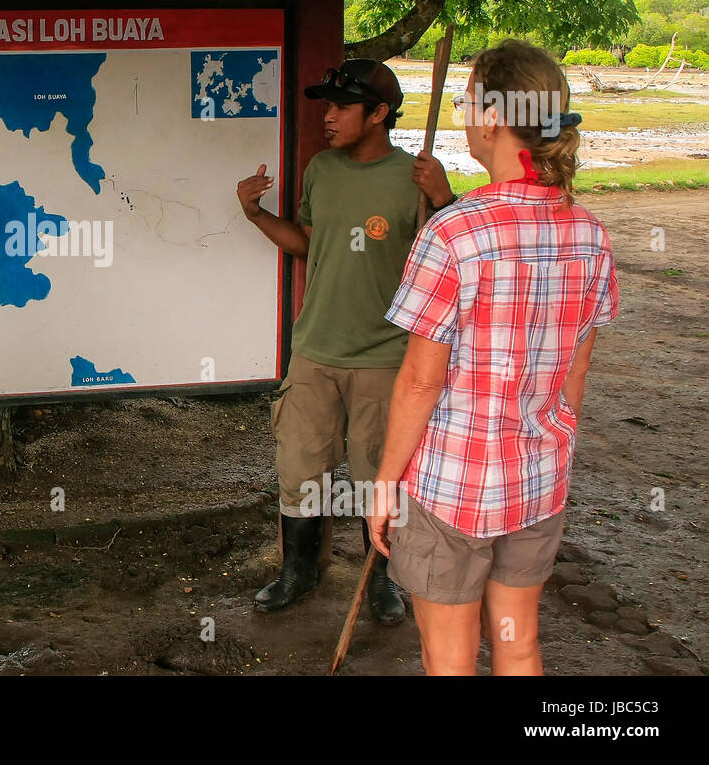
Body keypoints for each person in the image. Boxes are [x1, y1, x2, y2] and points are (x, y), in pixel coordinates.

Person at [367, 39, 618, 675]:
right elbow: (576, 373)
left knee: (449, 656)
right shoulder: (588, 232)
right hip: (537, 481)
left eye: (468, 99)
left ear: (492, 118)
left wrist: (386, 482)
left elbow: (421, 383)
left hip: (454, 486)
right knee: (518, 640)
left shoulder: (455, 232)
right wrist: (550, 444)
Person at [237, 59, 454, 622]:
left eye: (341, 107)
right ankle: (298, 571)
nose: (328, 117)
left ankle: (381, 580)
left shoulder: (417, 179)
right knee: (299, 467)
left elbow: (453, 264)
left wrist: (446, 203)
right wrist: (255, 214)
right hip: (315, 352)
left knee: (377, 475)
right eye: (326, 106)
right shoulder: (322, 169)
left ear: (379, 113)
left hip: (387, 357)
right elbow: (309, 243)